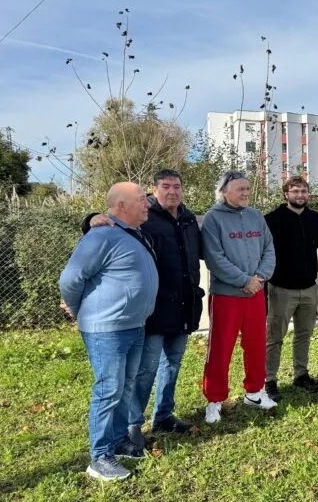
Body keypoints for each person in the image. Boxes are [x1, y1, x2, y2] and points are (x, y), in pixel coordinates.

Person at [82, 169, 204, 451]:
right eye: (165, 186)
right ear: (154, 189)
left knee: (172, 365)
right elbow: (111, 223)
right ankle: (132, 424)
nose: (172, 191)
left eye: (177, 186)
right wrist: (89, 219)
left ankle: (163, 415)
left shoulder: (188, 219)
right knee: (145, 370)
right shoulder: (144, 216)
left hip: (185, 307)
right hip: (153, 310)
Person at [59, 182, 158, 481]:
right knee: (108, 390)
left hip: (133, 325)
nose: (148, 204)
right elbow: (71, 278)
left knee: (125, 387)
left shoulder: (131, 233)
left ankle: (118, 441)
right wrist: (77, 309)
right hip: (107, 329)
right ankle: (99, 457)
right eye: (142, 199)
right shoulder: (101, 235)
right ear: (122, 206)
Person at [201, 171, 276, 424]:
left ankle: (255, 391)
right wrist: (245, 281)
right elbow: (214, 258)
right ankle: (215, 399)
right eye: (239, 189)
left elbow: (269, 249)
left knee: (256, 344)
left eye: (247, 188)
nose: (245, 193)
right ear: (224, 191)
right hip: (226, 295)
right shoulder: (213, 218)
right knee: (221, 348)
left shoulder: (256, 216)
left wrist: (260, 277)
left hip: (256, 293)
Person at [263, 176, 318, 402]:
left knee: (303, 335)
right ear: (286, 194)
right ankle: (269, 380)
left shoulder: (314, 218)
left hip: (309, 288)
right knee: (274, 337)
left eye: (304, 191)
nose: (300, 195)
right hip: (281, 289)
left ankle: (301, 374)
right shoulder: (272, 219)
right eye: (295, 191)